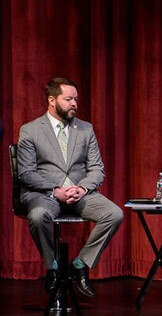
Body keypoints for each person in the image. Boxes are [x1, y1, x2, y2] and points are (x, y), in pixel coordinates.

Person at [17, 77, 123, 297]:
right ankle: (53, 269)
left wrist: (82, 188)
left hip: (79, 194)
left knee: (114, 213)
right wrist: (56, 190)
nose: (75, 103)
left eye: (76, 99)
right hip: (45, 194)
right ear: (52, 100)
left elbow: (97, 169)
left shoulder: (85, 129)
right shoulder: (30, 130)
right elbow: (26, 173)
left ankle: (80, 265)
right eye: (68, 99)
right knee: (38, 216)